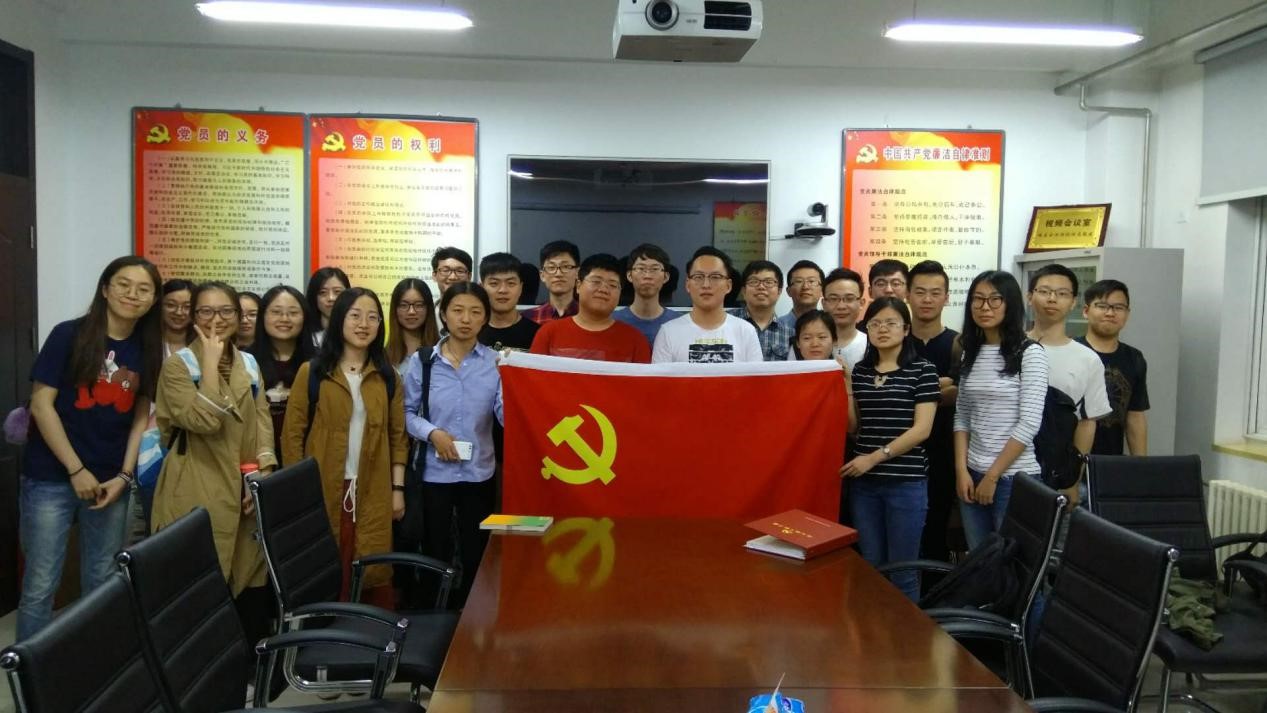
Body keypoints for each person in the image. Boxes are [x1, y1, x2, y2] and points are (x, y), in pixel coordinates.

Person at [18, 256, 161, 641]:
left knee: (101, 580)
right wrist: (76, 470)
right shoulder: (69, 334)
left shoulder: (148, 346)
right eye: (123, 284)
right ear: (105, 289)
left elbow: (140, 415)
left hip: (111, 482)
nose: (132, 294)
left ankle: (90, 664)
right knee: (41, 584)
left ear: (153, 299)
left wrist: (124, 476)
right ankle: (29, 671)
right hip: (51, 477)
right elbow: (42, 406)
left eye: (144, 289)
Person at [151, 280, 276, 648]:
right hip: (194, 481)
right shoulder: (178, 366)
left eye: (225, 311)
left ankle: (245, 663)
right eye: (205, 311)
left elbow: (262, 423)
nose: (216, 319)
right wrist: (208, 363)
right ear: (193, 317)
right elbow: (204, 421)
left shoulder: (249, 363)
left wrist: (263, 474)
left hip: (243, 484)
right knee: (196, 576)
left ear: (238, 317)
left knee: (247, 575)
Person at [282, 288, 407, 610]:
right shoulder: (312, 373)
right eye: (355, 316)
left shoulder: (387, 376)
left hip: (372, 489)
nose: (364, 324)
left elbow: (398, 437)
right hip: (323, 487)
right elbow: (292, 435)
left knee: (371, 569)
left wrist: (397, 489)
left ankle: (367, 634)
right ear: (339, 320)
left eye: (372, 317)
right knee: (323, 567)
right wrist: (297, 491)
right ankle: (324, 632)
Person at [405, 283, 504, 608]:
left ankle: (471, 614)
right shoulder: (423, 361)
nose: (466, 319)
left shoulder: (495, 363)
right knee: (435, 549)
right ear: (444, 315)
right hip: (435, 475)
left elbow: (505, 415)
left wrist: (523, 385)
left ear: (485, 318)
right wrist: (432, 433)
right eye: (458, 310)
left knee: (476, 550)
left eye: (475, 312)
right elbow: (406, 413)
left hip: (479, 474)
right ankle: (434, 613)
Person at [841, 297, 938, 601]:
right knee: (871, 566)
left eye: (891, 323)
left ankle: (907, 631)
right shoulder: (861, 372)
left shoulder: (923, 370)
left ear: (906, 329)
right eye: (875, 323)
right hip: (865, 485)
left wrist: (873, 458)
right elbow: (854, 428)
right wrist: (846, 386)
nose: (882, 329)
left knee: (903, 571)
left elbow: (922, 430)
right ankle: (875, 629)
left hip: (905, 484)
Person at [954, 271, 1048, 550]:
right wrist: (961, 470)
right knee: (980, 562)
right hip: (972, 474)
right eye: (978, 299)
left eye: (995, 300)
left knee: (1013, 566)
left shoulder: (1029, 353)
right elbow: (962, 417)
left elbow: (1029, 423)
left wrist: (993, 476)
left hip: (1013, 477)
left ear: (1011, 304)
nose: (985, 307)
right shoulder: (970, 352)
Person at [1026, 264, 1110, 508]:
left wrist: (1073, 479)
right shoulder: (1008, 348)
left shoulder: (1087, 359)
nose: (1052, 299)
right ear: (1029, 296)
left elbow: (1087, 423)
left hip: (1054, 471)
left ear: (1073, 302)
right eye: (1044, 291)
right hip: (1005, 466)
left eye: (1062, 293)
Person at [906, 260, 961, 562]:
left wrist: (914, 391)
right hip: (902, 453)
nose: (927, 299)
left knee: (938, 530)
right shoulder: (896, 341)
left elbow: (962, 394)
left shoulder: (960, 343)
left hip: (946, 451)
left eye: (935, 292)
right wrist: (940, 388)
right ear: (907, 295)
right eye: (920, 292)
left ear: (946, 297)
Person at [531, 253, 652, 363]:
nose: (603, 289)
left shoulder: (636, 340)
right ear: (578, 285)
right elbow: (532, 377)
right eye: (596, 281)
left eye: (612, 285)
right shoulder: (548, 334)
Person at [1077, 279, 1149, 455]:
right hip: (1067, 460)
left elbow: (1135, 416)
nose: (1110, 313)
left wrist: (1142, 466)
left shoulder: (1134, 358)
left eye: (1118, 307)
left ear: (1127, 314)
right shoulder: (1070, 351)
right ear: (1086, 311)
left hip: (1111, 461)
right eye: (1102, 306)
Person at [654, 247, 762, 364]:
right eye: (698, 277)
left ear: (728, 286)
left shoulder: (746, 331)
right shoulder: (668, 333)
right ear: (688, 285)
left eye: (715, 277)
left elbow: (756, 376)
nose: (706, 285)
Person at [249, 285, 316, 466]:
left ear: (305, 317)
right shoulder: (246, 360)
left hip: (307, 459)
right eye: (276, 312)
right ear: (263, 316)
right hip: (255, 459)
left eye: (293, 313)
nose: (284, 319)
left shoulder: (319, 363)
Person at [613, 243, 681, 345]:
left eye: (654, 269)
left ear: (666, 277)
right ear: (629, 275)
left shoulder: (678, 322)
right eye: (641, 269)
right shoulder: (613, 321)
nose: (647, 276)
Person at [730, 259, 793, 361]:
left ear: (779, 291)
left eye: (769, 282)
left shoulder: (790, 333)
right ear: (744, 291)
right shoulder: (726, 322)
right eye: (754, 282)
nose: (761, 287)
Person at [478, 252, 540, 352]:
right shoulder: (470, 332)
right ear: (482, 288)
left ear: (520, 288)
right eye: (494, 283)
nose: (503, 290)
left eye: (511, 283)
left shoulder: (538, 333)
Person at [811, 268, 868, 369]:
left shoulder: (872, 345)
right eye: (833, 299)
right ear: (824, 304)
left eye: (849, 299)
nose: (841, 306)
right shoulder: (807, 344)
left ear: (861, 303)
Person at [386, 278, 440, 374]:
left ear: (428, 308)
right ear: (395, 309)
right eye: (404, 305)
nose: (411, 312)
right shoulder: (383, 357)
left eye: (418, 305)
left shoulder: (443, 352)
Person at [526, 240, 581, 324]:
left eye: (566, 266)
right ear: (542, 275)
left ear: (577, 273)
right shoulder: (529, 318)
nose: (558, 274)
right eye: (551, 267)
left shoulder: (591, 316)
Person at [305, 266, 350, 347]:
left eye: (337, 292)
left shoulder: (356, 333)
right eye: (323, 292)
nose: (331, 298)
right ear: (314, 297)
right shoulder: (305, 336)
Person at [775, 260, 825, 332]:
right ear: (789, 291)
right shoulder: (774, 328)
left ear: (822, 290)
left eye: (811, 281)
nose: (805, 287)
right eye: (799, 281)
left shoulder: (830, 327)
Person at [159, 278, 194, 359]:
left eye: (187, 306)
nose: (179, 312)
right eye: (171, 305)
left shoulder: (203, 345)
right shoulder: (143, 342)